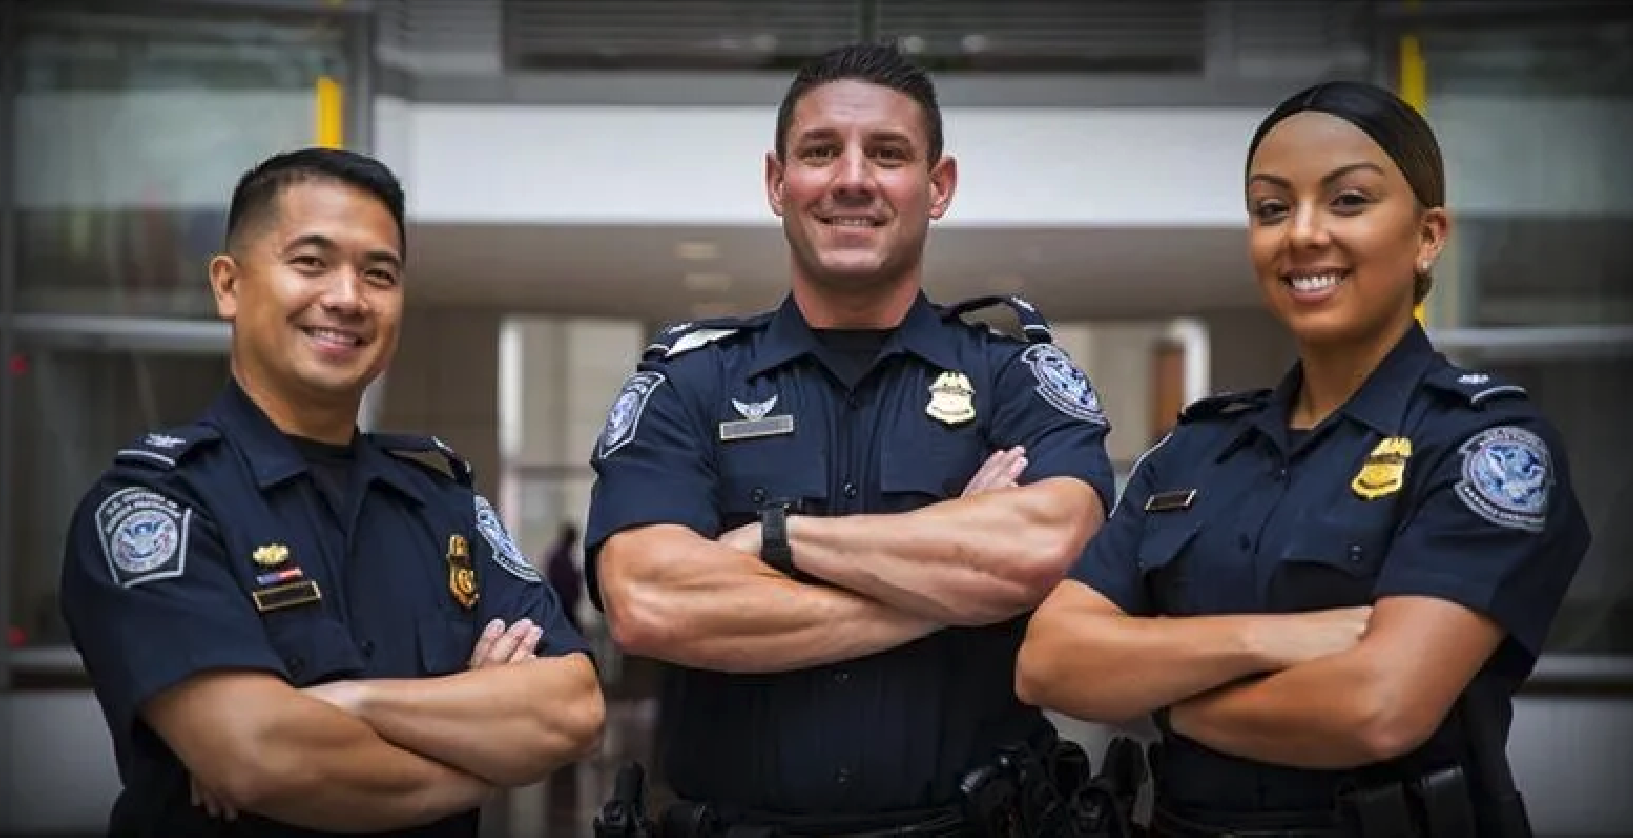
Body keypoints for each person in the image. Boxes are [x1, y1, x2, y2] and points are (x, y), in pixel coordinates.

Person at [1016, 80, 1592, 838]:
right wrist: (1267, 639)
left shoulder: (1480, 446)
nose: (1302, 234)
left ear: (1426, 236)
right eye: (1270, 208)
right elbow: (1049, 662)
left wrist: (1162, 701)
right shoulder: (1195, 452)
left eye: (1348, 200)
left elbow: (1376, 708)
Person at [585, 43, 1117, 836]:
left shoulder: (1012, 377)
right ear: (778, 182)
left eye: (889, 153)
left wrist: (775, 537)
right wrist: (949, 583)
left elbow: (1045, 550)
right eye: (821, 151)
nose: (852, 178)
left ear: (937, 187)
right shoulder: (688, 382)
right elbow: (649, 599)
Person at [58, 148, 605, 837]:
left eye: (379, 273)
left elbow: (572, 709)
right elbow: (257, 756)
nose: (348, 297)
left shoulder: (442, 503)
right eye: (311, 263)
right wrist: (484, 751)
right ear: (228, 285)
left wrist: (347, 703)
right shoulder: (157, 507)